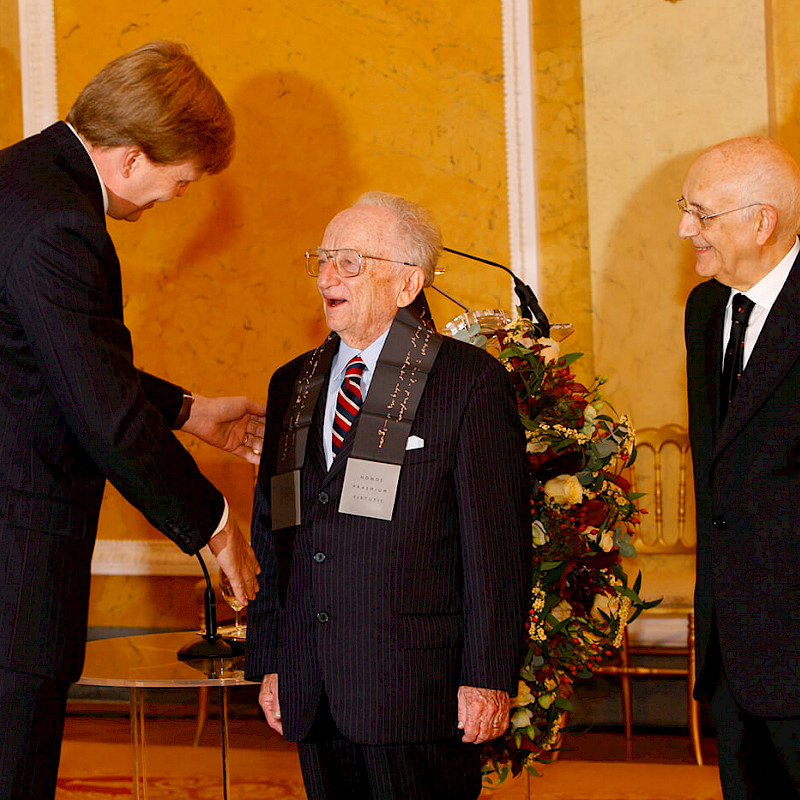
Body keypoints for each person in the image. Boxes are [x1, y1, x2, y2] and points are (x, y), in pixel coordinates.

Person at [0, 41, 263, 800]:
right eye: (180, 182)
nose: (171, 200)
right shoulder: (63, 226)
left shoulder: (14, 180)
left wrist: (190, 410)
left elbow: (51, 359)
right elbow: (105, 417)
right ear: (132, 158)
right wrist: (214, 522)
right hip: (16, 564)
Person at [244, 191, 530, 799]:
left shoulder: (468, 383)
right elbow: (273, 535)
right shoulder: (292, 383)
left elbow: (496, 549)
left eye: (349, 262)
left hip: (417, 690)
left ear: (407, 283)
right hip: (313, 684)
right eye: (322, 259)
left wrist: (488, 677)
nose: (327, 277)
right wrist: (271, 659)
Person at [679, 136, 800, 798]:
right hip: (730, 651)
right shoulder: (705, 309)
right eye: (684, 208)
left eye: (701, 213)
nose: (684, 229)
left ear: (762, 222)